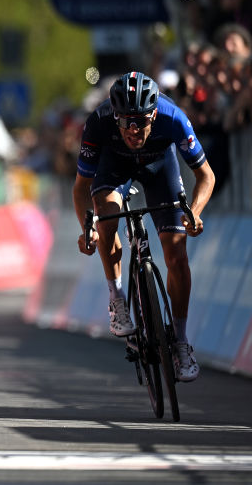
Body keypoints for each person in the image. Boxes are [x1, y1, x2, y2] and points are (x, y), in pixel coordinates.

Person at [72, 71, 214, 382]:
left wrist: (195, 211)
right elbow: (81, 187)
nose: (133, 130)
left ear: (154, 114)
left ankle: (180, 341)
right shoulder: (98, 122)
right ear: (115, 116)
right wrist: (88, 227)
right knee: (106, 215)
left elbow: (206, 175)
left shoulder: (173, 117)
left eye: (141, 122)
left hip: (159, 168)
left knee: (176, 255)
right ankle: (117, 298)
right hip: (114, 168)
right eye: (125, 122)